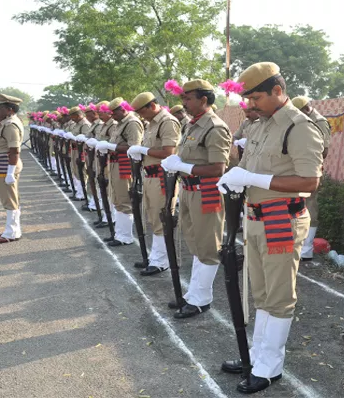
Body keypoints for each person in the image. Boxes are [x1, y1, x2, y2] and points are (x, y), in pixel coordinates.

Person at [216, 63, 323, 394]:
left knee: (277, 296)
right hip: (256, 216)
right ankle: (256, 355)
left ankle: (269, 366)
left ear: (278, 91)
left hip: (280, 219)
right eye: (248, 99)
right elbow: (248, 166)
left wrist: (251, 179)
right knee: (261, 293)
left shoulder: (299, 127)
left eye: (257, 97)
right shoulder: (260, 125)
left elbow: (310, 181)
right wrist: (235, 178)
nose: (250, 105)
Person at [160, 79, 232, 319]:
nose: (184, 103)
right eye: (184, 98)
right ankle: (193, 293)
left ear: (203, 99)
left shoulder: (215, 127)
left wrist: (183, 166)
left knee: (207, 246)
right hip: (189, 190)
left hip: (206, 191)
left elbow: (217, 168)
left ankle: (202, 299)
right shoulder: (192, 125)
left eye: (188, 98)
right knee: (194, 242)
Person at [128, 92, 181, 276]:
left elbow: (169, 152)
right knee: (152, 217)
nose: (140, 116)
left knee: (161, 218)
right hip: (150, 175)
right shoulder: (151, 124)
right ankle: (156, 257)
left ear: (151, 106)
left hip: (161, 176)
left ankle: (161, 261)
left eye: (141, 112)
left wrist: (143, 149)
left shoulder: (167, 122)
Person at [291, 96, 332, 261]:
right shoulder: (305, 121)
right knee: (298, 205)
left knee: (310, 206)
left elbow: (324, 151)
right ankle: (298, 244)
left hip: (311, 170)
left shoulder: (319, 122)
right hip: (299, 168)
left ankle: (306, 249)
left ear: (306, 109)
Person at [99, 98, 144, 246]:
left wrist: (112, 147)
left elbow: (134, 147)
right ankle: (119, 233)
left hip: (124, 165)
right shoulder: (120, 124)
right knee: (117, 198)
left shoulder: (132, 123)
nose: (112, 115)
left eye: (114, 112)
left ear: (123, 109)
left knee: (124, 200)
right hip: (115, 163)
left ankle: (125, 236)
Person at [0, 94, 25, 244]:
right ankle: (13, 229)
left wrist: (10, 172)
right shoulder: (5, 122)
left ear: (10, 110)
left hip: (6, 163)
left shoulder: (10, 125)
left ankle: (11, 232)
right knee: (11, 198)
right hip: (3, 162)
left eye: (0, 108)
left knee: (9, 199)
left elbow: (14, 150)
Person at [68, 106, 92, 202]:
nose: (72, 119)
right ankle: (79, 192)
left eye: (73, 117)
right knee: (75, 170)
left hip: (81, 151)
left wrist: (74, 139)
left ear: (78, 115)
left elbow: (85, 140)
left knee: (81, 171)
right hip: (74, 150)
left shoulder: (85, 124)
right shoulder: (76, 124)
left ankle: (82, 194)